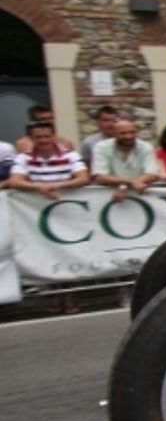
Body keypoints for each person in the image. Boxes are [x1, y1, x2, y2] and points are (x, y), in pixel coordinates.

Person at [7, 121, 90, 315]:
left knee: (67, 251)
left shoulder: (69, 154)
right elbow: (15, 181)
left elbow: (83, 178)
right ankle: (55, 296)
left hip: (66, 212)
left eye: (47, 136)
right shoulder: (24, 157)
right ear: (31, 138)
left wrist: (57, 186)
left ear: (54, 136)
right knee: (46, 252)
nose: (44, 141)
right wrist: (41, 188)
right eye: (38, 137)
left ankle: (68, 296)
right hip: (36, 212)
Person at [92, 119, 158, 202]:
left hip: (141, 198)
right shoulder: (101, 147)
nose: (128, 136)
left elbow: (152, 174)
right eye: (123, 133)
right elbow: (100, 177)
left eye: (132, 132)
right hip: (109, 198)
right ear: (114, 134)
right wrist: (130, 182)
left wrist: (123, 187)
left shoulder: (146, 147)